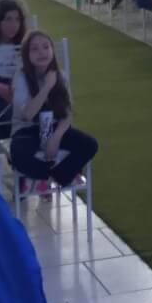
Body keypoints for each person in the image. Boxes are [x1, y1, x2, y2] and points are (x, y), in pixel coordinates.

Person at [10, 30, 99, 189]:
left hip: (56, 128)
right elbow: (27, 115)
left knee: (90, 144)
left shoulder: (61, 76)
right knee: (19, 154)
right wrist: (46, 87)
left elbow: (67, 114)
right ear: (27, 54)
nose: (42, 52)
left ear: (52, 50)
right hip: (28, 131)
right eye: (35, 49)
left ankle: (55, 176)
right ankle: (51, 175)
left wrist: (56, 138)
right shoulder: (21, 76)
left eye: (46, 47)